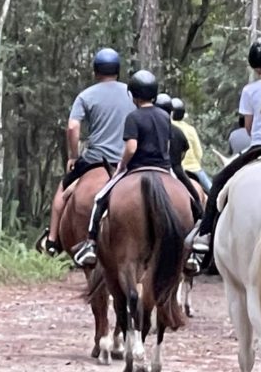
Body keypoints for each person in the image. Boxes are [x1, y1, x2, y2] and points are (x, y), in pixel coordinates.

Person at [186, 36, 261, 256]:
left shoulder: (250, 91)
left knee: (218, 183)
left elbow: (249, 129)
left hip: (259, 150)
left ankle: (205, 234)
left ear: (256, 65)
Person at [74, 71, 200, 273]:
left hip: (138, 167)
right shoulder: (164, 117)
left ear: (133, 96)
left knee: (99, 199)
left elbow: (131, 148)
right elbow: (167, 145)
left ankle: (90, 244)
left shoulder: (133, 117)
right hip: (163, 167)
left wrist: (122, 167)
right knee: (192, 201)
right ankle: (194, 247)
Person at [40, 48, 135, 256]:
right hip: (128, 159)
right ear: (118, 70)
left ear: (96, 71)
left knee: (62, 191)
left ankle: (52, 241)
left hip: (95, 159)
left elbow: (73, 127)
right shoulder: (132, 93)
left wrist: (73, 156)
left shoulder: (86, 96)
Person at [156, 94, 204, 223]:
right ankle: (201, 214)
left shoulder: (151, 127)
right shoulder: (179, 131)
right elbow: (188, 151)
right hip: (178, 168)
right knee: (202, 194)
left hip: (153, 166)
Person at [171, 98, 213, 192]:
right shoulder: (190, 129)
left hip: (174, 170)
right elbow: (199, 153)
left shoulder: (167, 126)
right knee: (214, 193)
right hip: (193, 168)